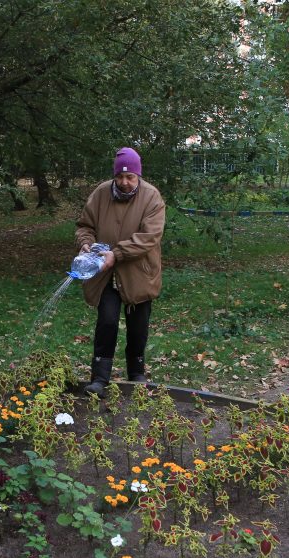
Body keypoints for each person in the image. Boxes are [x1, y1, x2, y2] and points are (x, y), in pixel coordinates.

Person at [75, 147, 165, 395]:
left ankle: (136, 373)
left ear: (138, 176)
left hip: (139, 274)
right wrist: (85, 243)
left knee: (138, 326)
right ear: (114, 176)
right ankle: (99, 378)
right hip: (104, 273)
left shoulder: (152, 197)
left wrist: (117, 254)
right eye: (120, 177)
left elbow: (149, 237)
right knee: (107, 321)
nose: (124, 182)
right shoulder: (101, 193)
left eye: (130, 177)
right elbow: (85, 225)